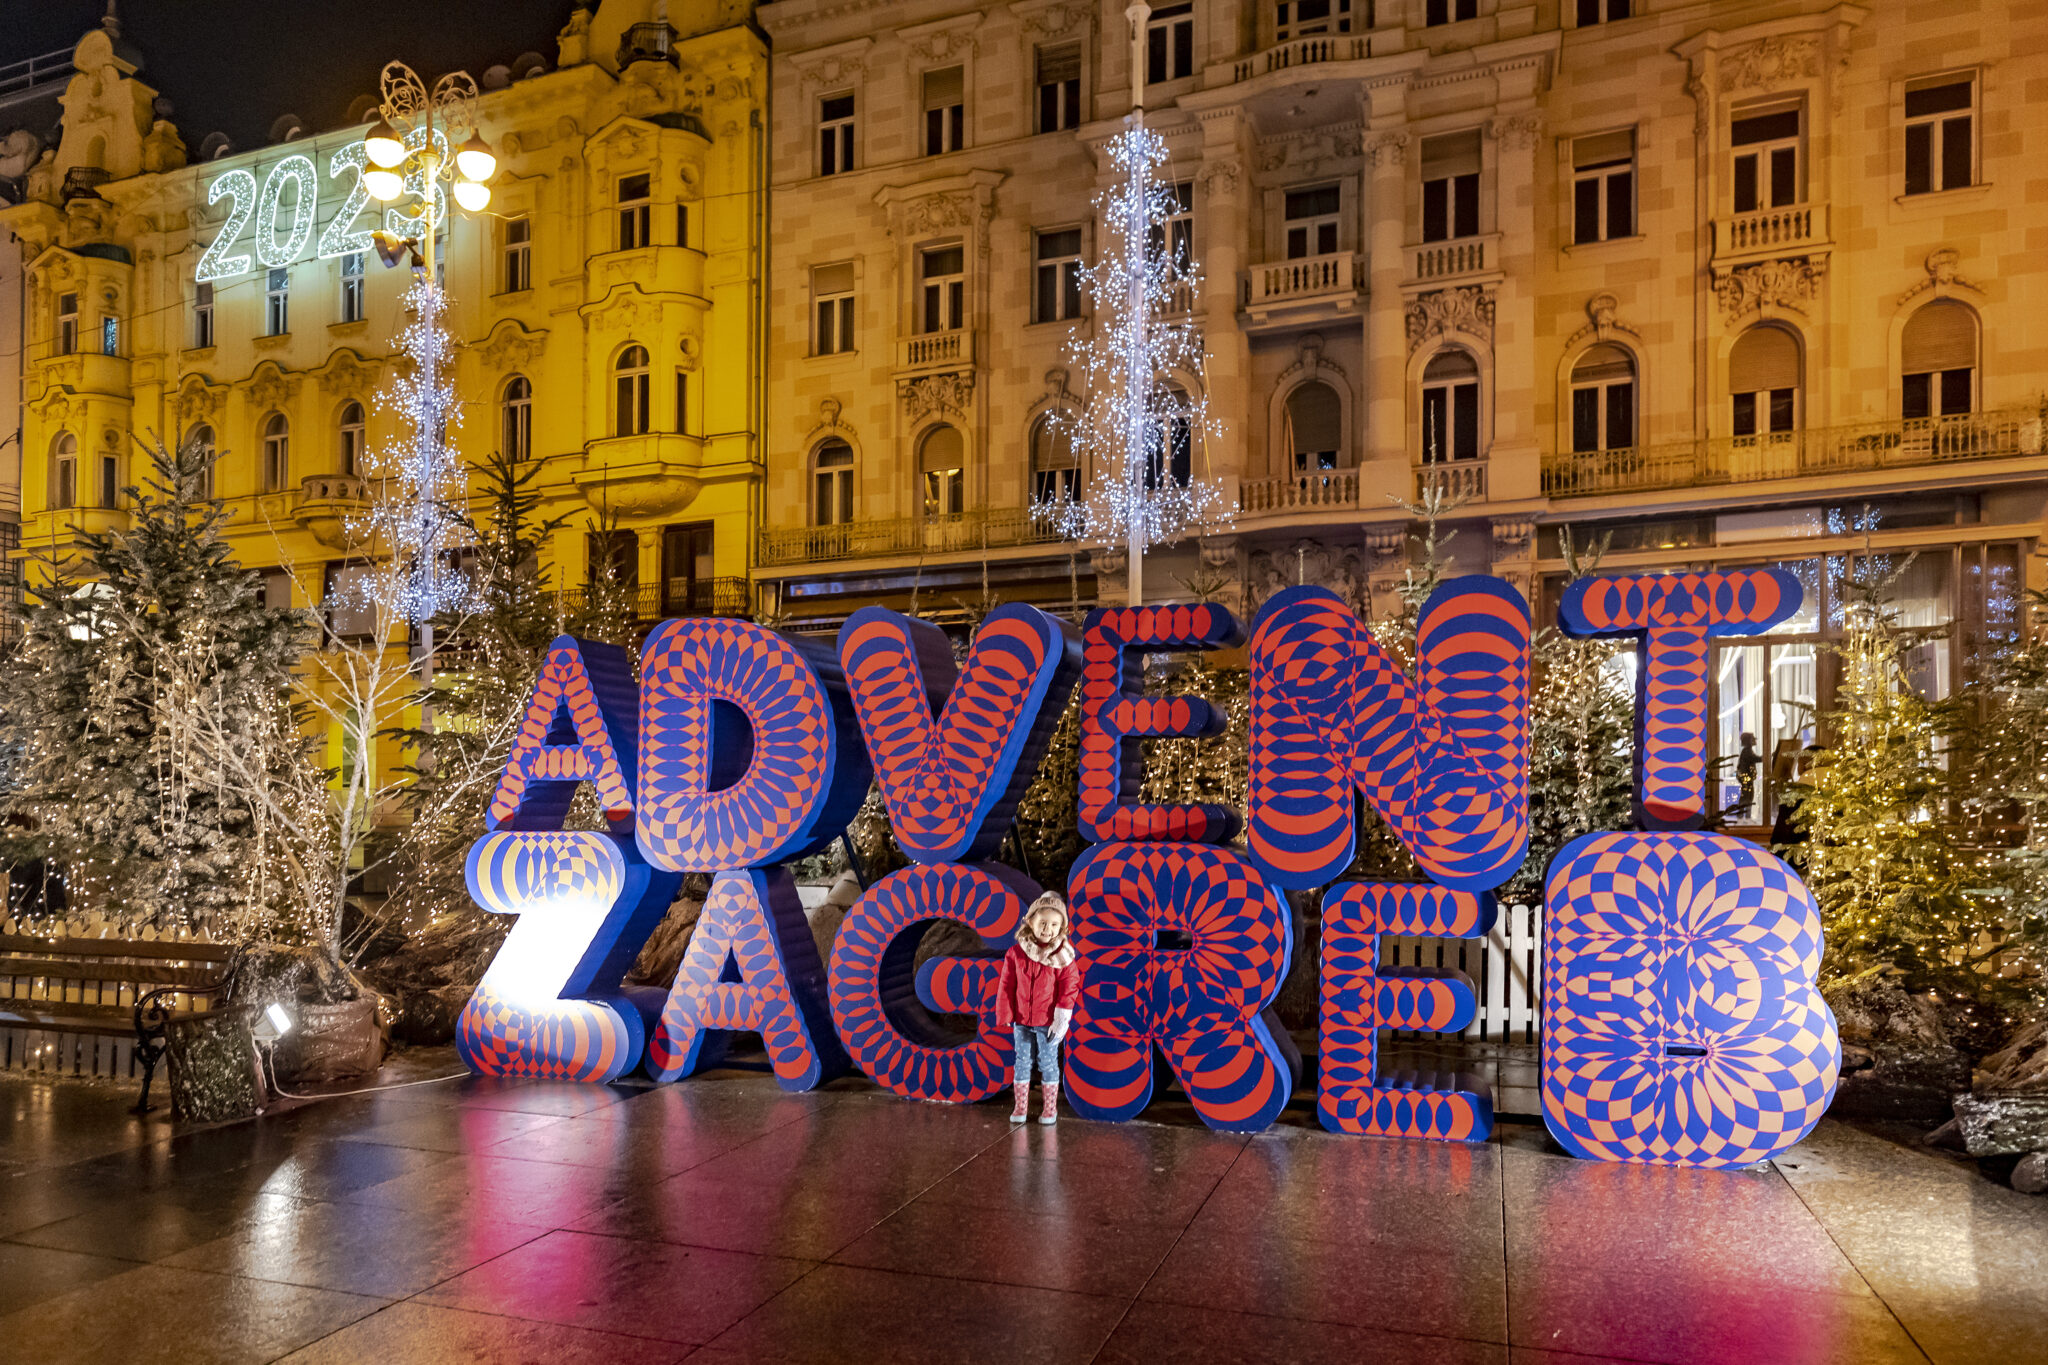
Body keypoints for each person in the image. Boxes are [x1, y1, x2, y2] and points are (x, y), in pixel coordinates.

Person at [995, 891, 1081, 1125]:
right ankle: (1020, 1106)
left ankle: (1050, 1109)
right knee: (1022, 1061)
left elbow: (1070, 986)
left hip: (1048, 1023)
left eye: (1054, 924)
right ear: (1030, 921)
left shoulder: (1063, 957)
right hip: (1022, 1020)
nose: (1047, 929)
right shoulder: (1016, 953)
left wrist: (1062, 1017)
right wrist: (1006, 1013)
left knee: (1048, 1062)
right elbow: (1007, 984)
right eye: (1042, 923)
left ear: (1062, 927)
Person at [1734, 731, 1761, 820]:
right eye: (1752, 739)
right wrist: (1766, 756)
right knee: (1746, 797)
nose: (1754, 741)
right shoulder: (1747, 751)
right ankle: (1742, 817)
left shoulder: (1747, 751)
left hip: (1747, 778)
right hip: (1746, 778)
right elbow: (1755, 758)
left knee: (1748, 797)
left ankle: (1745, 817)